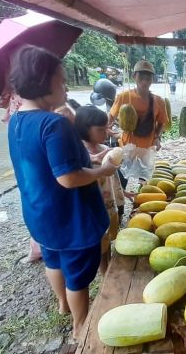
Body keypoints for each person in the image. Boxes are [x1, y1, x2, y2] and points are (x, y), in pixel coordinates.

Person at [6, 45, 118, 337]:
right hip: (71, 220)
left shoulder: (17, 120)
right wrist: (101, 171)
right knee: (78, 277)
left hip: (40, 214)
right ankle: (80, 326)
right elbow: (68, 178)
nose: (65, 85)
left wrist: (88, 159)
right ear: (44, 81)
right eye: (61, 79)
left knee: (53, 259)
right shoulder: (54, 123)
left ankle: (62, 305)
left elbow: (48, 162)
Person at [74, 105, 126, 274]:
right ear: (84, 129)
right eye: (100, 129)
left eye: (107, 128)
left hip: (109, 204)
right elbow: (79, 173)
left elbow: (113, 178)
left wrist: (123, 193)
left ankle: (109, 266)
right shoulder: (80, 152)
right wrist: (96, 160)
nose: (105, 133)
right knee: (99, 244)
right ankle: (104, 273)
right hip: (95, 207)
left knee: (109, 239)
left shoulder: (105, 149)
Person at [109, 60, 168, 152]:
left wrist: (157, 138)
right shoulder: (124, 97)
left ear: (152, 79)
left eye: (148, 78)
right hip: (127, 146)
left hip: (148, 148)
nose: (144, 81)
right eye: (141, 77)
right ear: (133, 76)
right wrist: (111, 132)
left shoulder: (159, 101)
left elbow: (161, 123)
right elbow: (111, 117)